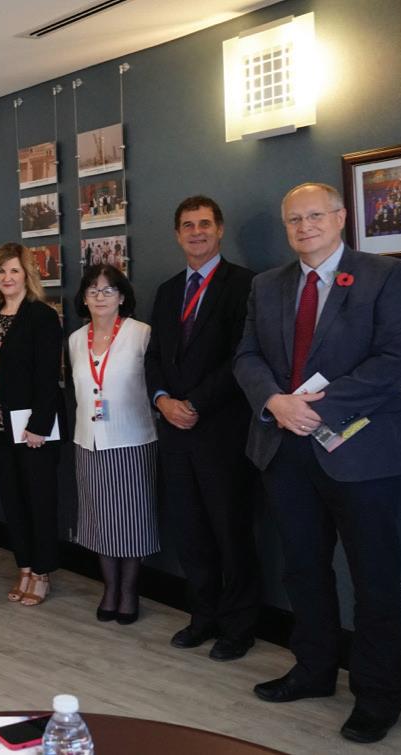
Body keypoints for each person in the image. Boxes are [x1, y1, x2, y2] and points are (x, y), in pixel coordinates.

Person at [234, 182, 401, 744]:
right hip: (284, 448)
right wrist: (275, 402)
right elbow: (246, 356)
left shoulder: (387, 275)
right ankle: (314, 670)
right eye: (294, 219)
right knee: (302, 568)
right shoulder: (266, 285)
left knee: (374, 578)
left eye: (315, 215)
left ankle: (378, 694)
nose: (305, 227)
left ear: (341, 217)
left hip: (361, 451)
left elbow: (394, 361)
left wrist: (313, 407)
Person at [144, 196, 260, 662]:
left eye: (205, 224)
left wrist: (194, 403)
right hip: (175, 433)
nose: (197, 232)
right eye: (188, 225)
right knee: (190, 532)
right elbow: (154, 357)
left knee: (232, 533)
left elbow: (242, 357)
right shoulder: (168, 290)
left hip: (222, 433)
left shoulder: (245, 285)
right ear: (177, 234)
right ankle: (203, 616)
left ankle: (239, 626)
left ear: (220, 229)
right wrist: (162, 400)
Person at [0, 242, 63, 607]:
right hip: (0, 427)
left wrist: (40, 424)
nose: (7, 277)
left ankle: (42, 573)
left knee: (39, 500)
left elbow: (48, 377)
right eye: (1, 271)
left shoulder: (42, 316)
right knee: (13, 500)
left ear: (27, 275)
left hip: (34, 430)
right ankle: (23, 567)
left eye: (14, 271)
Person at [68, 264, 158, 625]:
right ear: (84, 298)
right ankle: (109, 589)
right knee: (98, 520)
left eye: (108, 290)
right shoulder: (76, 340)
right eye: (93, 290)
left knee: (132, 521)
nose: (100, 297)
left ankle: (129, 591)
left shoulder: (141, 334)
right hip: (88, 442)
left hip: (132, 440)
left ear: (122, 297)